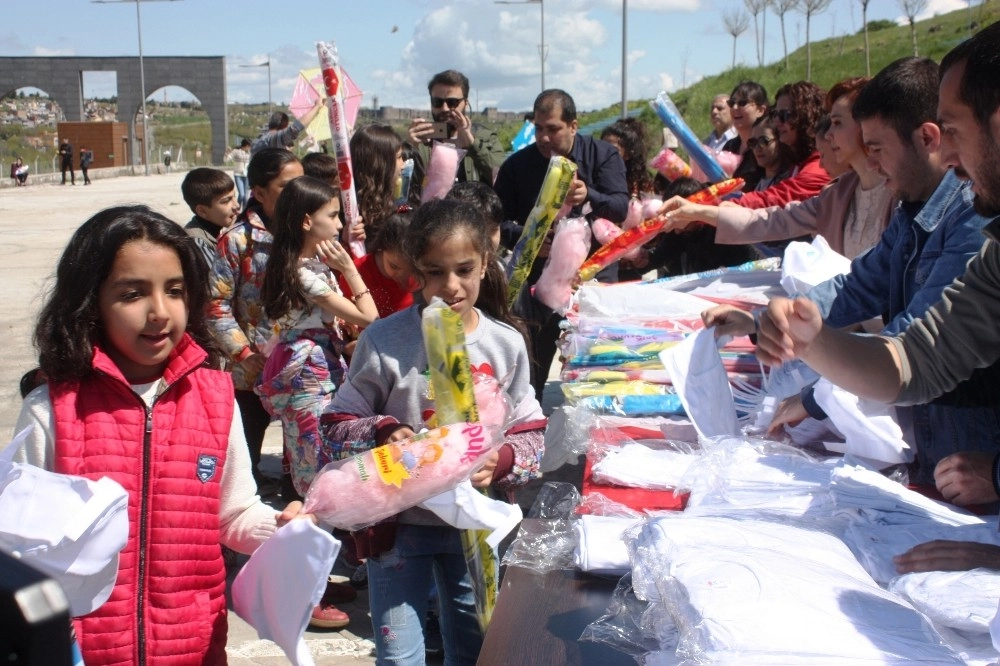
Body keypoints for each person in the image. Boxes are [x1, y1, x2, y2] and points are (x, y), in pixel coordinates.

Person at [11, 205, 306, 665]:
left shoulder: (215, 396)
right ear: (89, 300)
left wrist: (281, 529)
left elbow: (232, 513)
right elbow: (19, 546)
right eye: (132, 293)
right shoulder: (51, 407)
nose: (158, 312)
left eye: (175, 291)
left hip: (194, 648)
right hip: (84, 652)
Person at [756, 21, 1000, 574]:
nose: (955, 159)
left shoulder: (969, 223)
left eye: (956, 131)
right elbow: (915, 358)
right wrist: (807, 333)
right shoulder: (974, 241)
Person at [320, 198, 546, 664]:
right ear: (414, 274)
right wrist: (385, 431)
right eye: (434, 272)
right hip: (399, 529)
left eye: (464, 269)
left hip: (474, 528)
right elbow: (336, 424)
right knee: (399, 652)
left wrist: (499, 461)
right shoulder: (384, 341)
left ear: (485, 263)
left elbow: (530, 431)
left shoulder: (505, 344)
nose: (450, 286)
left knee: (474, 643)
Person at [660, 76, 893, 261]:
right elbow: (773, 219)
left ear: (867, 126)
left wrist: (702, 209)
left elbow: (773, 201)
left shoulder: (900, 192)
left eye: (837, 123)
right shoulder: (836, 195)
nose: (829, 133)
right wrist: (699, 211)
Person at [494, 89, 629, 398]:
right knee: (532, 369)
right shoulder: (517, 167)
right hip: (538, 283)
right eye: (538, 128)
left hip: (592, 279)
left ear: (573, 125)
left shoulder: (603, 156)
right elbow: (496, 222)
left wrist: (589, 195)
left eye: (552, 128)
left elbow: (621, 207)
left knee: (597, 369)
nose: (543, 137)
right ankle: (529, 431)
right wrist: (527, 239)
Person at [207, 148, 304, 491]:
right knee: (245, 448)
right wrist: (245, 356)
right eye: (285, 187)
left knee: (302, 444)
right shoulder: (237, 241)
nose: (297, 195)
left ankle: (296, 484)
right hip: (251, 371)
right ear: (259, 193)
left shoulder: (312, 233)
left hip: (301, 367)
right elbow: (215, 305)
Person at [731, 81, 830, 209]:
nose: (777, 122)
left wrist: (724, 205)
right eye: (775, 115)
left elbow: (780, 197)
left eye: (784, 115)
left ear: (806, 117)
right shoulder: (795, 163)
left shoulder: (821, 166)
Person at [407, 69, 506, 196]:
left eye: (452, 102)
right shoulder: (422, 141)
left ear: (465, 103)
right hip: (431, 213)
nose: (444, 108)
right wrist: (408, 149)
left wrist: (472, 145)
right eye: (437, 102)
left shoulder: (486, 138)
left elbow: (503, 175)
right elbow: (398, 184)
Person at [352, 123, 405, 247]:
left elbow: (401, 208)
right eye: (399, 157)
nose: (403, 164)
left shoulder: (386, 201)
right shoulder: (354, 208)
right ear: (381, 164)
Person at [180, 167, 241, 268]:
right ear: (202, 211)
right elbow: (220, 280)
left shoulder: (218, 230)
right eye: (226, 201)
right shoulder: (198, 243)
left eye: (234, 197)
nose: (237, 205)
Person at [720, 81, 770, 191]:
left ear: (761, 110)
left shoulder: (767, 146)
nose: (735, 107)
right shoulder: (730, 146)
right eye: (731, 103)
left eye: (742, 103)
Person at [251, 99, 325, 156]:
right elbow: (295, 128)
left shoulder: (258, 140)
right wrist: (317, 107)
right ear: (284, 126)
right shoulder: (272, 139)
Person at [228, 139, 252, 208]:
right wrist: (227, 153)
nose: (249, 148)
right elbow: (226, 159)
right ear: (246, 145)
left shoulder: (250, 153)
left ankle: (244, 211)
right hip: (238, 175)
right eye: (249, 146)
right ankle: (237, 207)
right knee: (242, 195)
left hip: (246, 175)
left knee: (246, 197)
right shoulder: (236, 151)